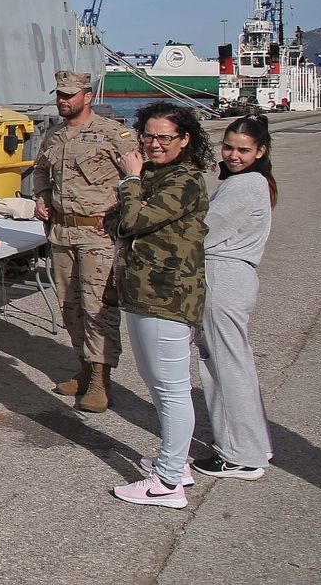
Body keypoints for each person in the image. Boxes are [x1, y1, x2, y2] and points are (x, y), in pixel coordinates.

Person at [111, 102, 213, 508]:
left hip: (165, 296)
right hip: (144, 293)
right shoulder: (161, 175)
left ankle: (167, 483)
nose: (154, 144)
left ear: (185, 140)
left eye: (164, 137)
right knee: (157, 385)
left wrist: (130, 179)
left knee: (171, 390)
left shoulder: (185, 180)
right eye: (149, 136)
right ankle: (176, 463)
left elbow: (133, 220)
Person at [30, 70, 135, 412]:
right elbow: (41, 170)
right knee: (70, 306)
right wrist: (42, 197)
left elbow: (138, 176)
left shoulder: (112, 134)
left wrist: (124, 215)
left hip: (98, 235)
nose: (62, 100)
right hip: (61, 234)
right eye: (59, 94)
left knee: (97, 307)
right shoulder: (54, 136)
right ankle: (85, 368)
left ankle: (101, 381)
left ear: (87, 96)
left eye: (69, 95)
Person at [193, 116, 277, 479]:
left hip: (223, 276)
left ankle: (241, 454)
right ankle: (253, 444)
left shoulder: (245, 185)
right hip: (233, 277)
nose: (233, 155)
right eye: (228, 147)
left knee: (225, 366)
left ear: (261, 151)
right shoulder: (252, 182)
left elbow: (203, 233)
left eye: (244, 150)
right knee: (233, 362)